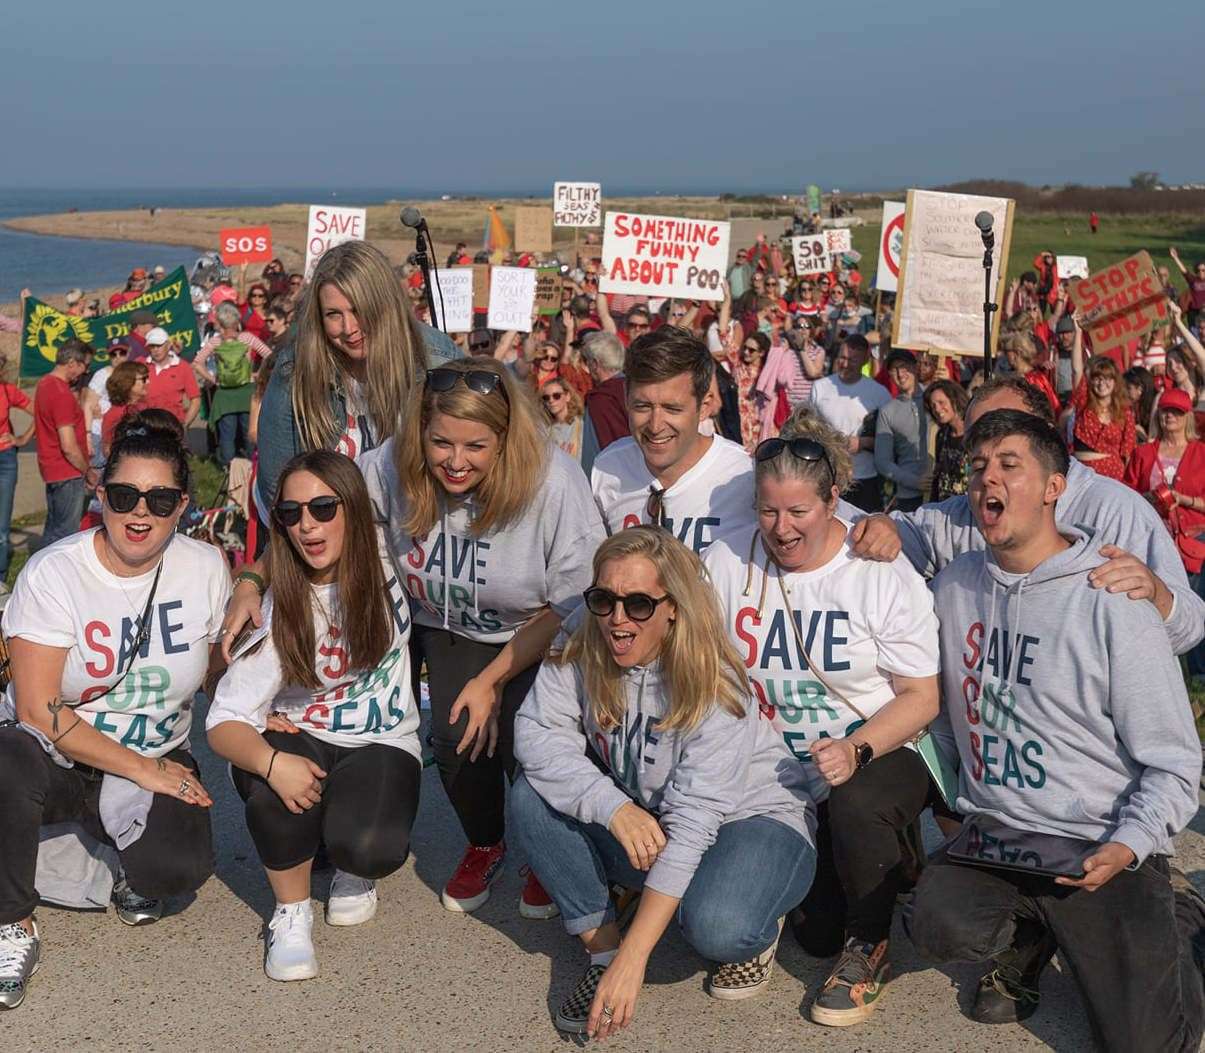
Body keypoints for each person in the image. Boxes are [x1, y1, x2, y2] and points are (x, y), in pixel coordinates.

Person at [912, 409, 1204, 1052]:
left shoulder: (1111, 596)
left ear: (1054, 487)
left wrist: (1130, 844)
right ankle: (1039, 927)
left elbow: (1178, 763)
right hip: (1003, 838)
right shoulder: (954, 587)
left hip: (1099, 840)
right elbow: (932, 711)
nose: (989, 480)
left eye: (1010, 465)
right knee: (937, 923)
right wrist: (955, 806)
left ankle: (1174, 918)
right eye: (978, 467)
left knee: (1148, 1045)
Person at [512, 527, 816, 1037]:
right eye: (603, 599)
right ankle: (602, 951)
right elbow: (537, 730)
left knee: (719, 929)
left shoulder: (713, 681)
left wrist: (639, 962)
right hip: (654, 813)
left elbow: (695, 822)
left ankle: (756, 916)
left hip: (754, 818)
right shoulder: (583, 633)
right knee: (530, 796)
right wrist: (612, 807)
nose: (617, 618)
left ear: (672, 606)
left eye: (638, 604)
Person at [704, 409, 940, 1028]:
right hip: (771, 768)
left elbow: (921, 696)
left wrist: (857, 748)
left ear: (834, 498)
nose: (781, 529)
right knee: (812, 934)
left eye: (799, 512)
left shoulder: (877, 570)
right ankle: (869, 864)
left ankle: (870, 944)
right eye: (768, 510)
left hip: (875, 752)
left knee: (857, 806)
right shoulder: (728, 557)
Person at [353, 359, 604, 916]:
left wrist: (493, 681)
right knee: (454, 741)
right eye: (441, 443)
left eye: (475, 447)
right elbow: (336, 503)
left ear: (505, 440)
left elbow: (574, 601)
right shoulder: (393, 463)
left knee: (534, 745)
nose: (455, 462)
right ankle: (486, 842)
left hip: (541, 627)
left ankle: (547, 849)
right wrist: (254, 580)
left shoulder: (554, 483)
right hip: (449, 624)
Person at [0, 414, 231, 1010]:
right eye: (125, 494)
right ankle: (11, 920)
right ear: (100, 492)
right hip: (54, 758)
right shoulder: (55, 571)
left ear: (182, 507)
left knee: (177, 871)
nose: (140, 513)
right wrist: (143, 770)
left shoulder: (205, 568)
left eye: (160, 500)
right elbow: (38, 707)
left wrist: (271, 713)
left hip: (154, 752)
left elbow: (218, 676)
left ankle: (107, 850)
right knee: (7, 755)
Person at [207, 451, 421, 982]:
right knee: (276, 794)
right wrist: (271, 761)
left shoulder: (388, 549)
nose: (308, 524)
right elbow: (223, 719)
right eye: (291, 513)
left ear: (353, 508)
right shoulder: (283, 605)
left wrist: (246, 577)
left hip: (382, 737)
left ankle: (346, 863)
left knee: (370, 847)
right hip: (303, 731)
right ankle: (291, 911)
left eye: (324, 508)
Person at [852, 374, 1205, 656]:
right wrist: (884, 525)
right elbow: (903, 533)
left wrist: (1157, 595)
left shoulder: (1115, 510)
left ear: (1047, 436)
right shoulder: (963, 514)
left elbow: (1189, 627)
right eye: (978, 438)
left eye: (1006, 431)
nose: (990, 447)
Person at [253, 240, 461, 512]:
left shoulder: (436, 357)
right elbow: (277, 487)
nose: (349, 328)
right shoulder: (296, 368)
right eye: (333, 314)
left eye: (358, 310)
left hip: (417, 539)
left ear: (385, 303)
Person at [590, 327, 758, 555]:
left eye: (672, 409)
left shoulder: (744, 476)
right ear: (626, 399)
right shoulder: (606, 469)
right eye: (642, 406)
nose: (656, 425)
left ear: (704, 407)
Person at [1123, 388, 1205, 578]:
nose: (1170, 415)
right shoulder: (1142, 453)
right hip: (1150, 542)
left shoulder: (1201, 454)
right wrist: (1147, 499)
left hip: (1193, 543)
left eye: (1177, 411)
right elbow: (1127, 495)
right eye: (1165, 410)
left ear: (1188, 416)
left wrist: (1183, 499)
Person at [808, 334, 891, 512]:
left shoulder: (880, 394)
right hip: (827, 476)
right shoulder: (820, 387)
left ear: (865, 361)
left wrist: (863, 443)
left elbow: (892, 441)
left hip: (865, 478)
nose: (845, 364)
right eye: (842, 358)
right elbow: (807, 430)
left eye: (853, 360)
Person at [193, 302, 271, 467]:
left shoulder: (215, 342)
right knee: (248, 431)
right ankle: (253, 466)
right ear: (237, 322)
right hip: (247, 391)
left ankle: (228, 468)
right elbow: (269, 356)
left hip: (225, 394)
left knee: (227, 434)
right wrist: (257, 375)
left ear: (220, 324)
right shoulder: (247, 339)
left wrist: (213, 379)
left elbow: (197, 363)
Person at [33, 341, 94, 547]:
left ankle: (39, 572)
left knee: (53, 527)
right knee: (64, 536)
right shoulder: (61, 393)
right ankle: (50, 576)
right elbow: (68, 446)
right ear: (71, 363)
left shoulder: (44, 384)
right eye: (85, 366)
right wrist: (88, 471)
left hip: (52, 469)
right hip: (67, 472)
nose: (85, 371)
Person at [1064, 326, 1136, 481]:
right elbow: (1077, 370)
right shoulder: (1084, 401)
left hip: (1113, 475)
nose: (1102, 383)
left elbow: (1127, 453)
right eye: (1097, 378)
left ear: (1115, 382)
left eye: (1107, 378)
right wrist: (1078, 332)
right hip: (1082, 473)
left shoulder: (1125, 413)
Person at [874, 349, 930, 512]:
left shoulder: (935, 398)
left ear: (915, 367)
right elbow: (882, 461)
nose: (900, 373)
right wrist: (913, 481)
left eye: (904, 367)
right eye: (894, 369)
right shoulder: (888, 411)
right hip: (909, 495)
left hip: (940, 490)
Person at [579, 332, 629, 472]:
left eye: (587, 361)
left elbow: (592, 453)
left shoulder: (599, 399)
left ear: (595, 364)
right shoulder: (636, 389)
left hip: (611, 476)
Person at [924, 378, 970, 501]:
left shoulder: (974, 433)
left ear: (954, 400)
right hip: (944, 507)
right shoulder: (942, 435)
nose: (937, 409)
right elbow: (938, 475)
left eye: (941, 402)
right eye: (933, 406)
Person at [143, 329, 200, 427]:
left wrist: (185, 424)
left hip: (173, 426)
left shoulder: (183, 367)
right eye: (152, 346)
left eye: (159, 345)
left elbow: (195, 399)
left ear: (168, 345)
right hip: (147, 426)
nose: (156, 349)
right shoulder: (142, 366)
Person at [101, 361, 149, 457]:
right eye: (143, 379)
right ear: (128, 382)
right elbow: (107, 449)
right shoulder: (114, 415)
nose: (148, 382)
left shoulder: (144, 407)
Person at [541, 376, 585, 461]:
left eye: (556, 396)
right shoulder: (545, 430)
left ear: (567, 396)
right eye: (546, 398)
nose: (551, 400)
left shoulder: (582, 424)